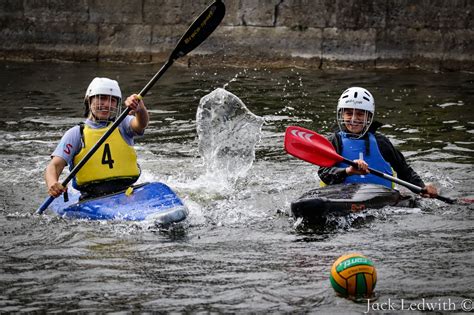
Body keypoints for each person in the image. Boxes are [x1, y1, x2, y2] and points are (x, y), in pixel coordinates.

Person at [318, 87, 438, 198]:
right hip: (340, 196)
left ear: (369, 117)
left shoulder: (381, 142)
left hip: (379, 197)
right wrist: (348, 171)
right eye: (349, 113)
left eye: (360, 114)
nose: (354, 119)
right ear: (342, 115)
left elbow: (403, 170)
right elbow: (324, 173)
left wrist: (421, 187)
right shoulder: (333, 141)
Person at [45, 77, 149, 199]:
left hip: (127, 192)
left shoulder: (123, 124)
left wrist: (140, 109)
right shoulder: (76, 134)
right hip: (92, 198)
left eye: (113, 100)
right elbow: (55, 165)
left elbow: (141, 124)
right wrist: (53, 183)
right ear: (89, 100)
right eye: (102, 98)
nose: (107, 104)